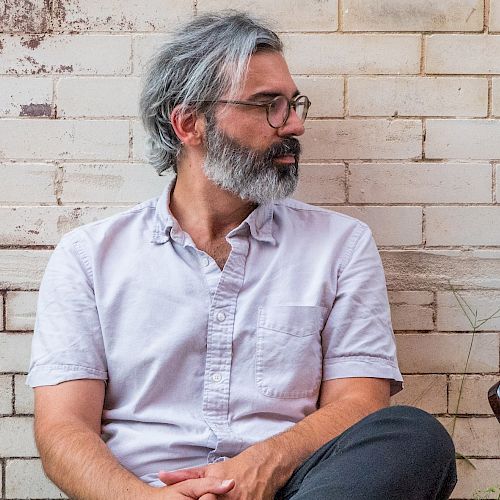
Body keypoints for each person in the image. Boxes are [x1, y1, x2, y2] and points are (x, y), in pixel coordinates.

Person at [28, 11, 457, 500]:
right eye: (267, 105)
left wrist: (260, 466)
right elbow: (63, 428)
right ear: (190, 123)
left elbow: (360, 401)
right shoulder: (89, 256)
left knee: (414, 437)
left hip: (299, 488)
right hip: (143, 489)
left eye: (293, 104)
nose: (293, 123)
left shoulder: (340, 245)